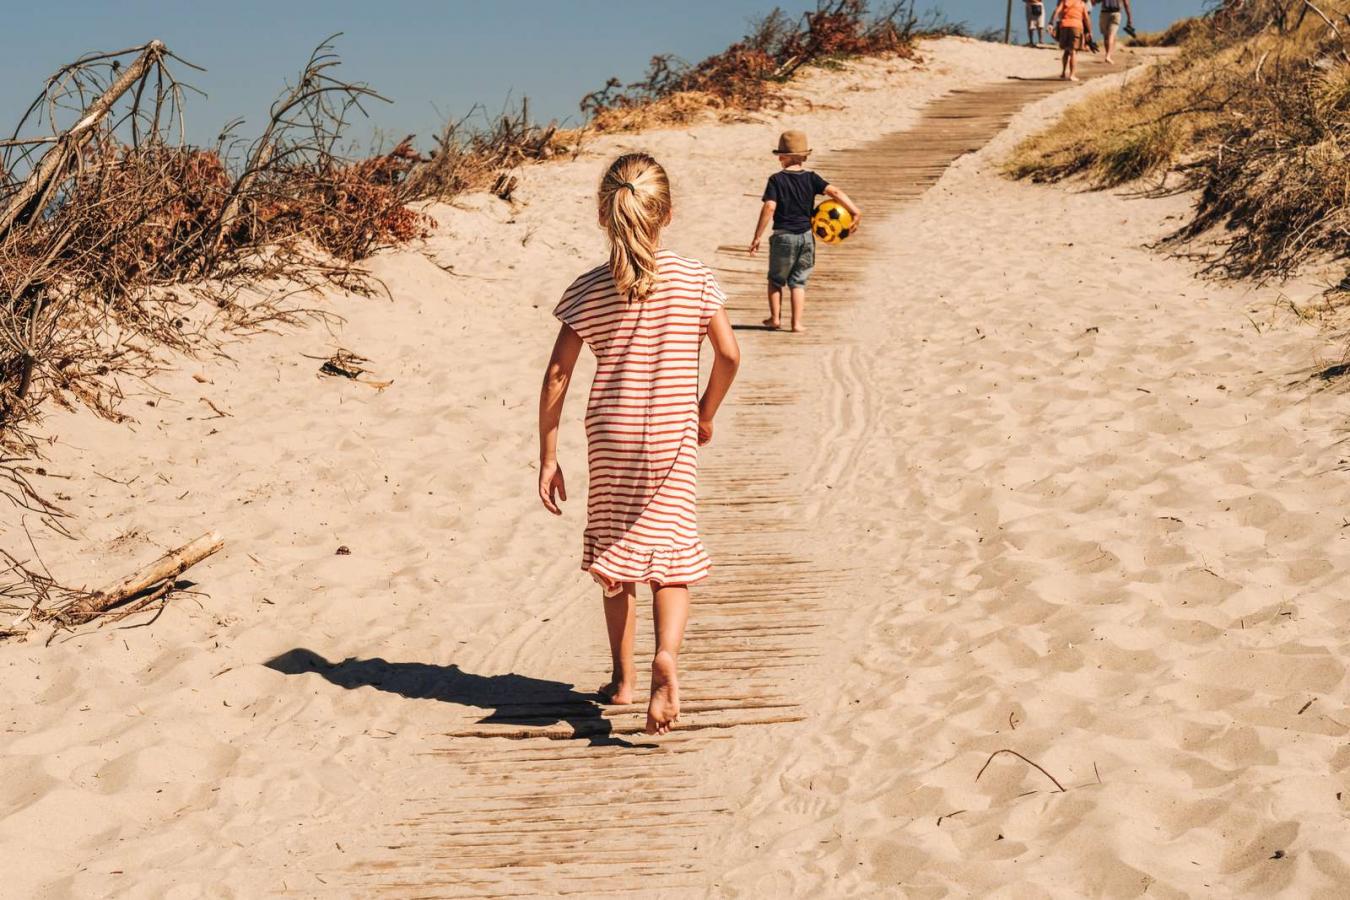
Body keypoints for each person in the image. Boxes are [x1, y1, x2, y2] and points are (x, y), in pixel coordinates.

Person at [538, 152, 741, 736]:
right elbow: (729, 355)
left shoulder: (590, 289)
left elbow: (557, 376)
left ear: (605, 215)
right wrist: (704, 414)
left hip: (610, 435)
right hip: (671, 432)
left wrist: (548, 456)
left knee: (615, 555)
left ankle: (623, 680)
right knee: (670, 554)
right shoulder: (696, 279)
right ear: (667, 213)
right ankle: (667, 657)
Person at [748, 130, 861, 333]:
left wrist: (757, 236)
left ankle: (775, 319)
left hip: (783, 237)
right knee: (798, 281)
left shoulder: (776, 180)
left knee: (775, 280)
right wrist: (855, 211)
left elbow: (770, 207)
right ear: (805, 156)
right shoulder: (811, 178)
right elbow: (834, 192)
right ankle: (796, 323)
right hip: (807, 237)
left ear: (783, 157)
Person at [1050, 0, 1095, 81]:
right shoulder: (1081, 3)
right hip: (1076, 27)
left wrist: (1050, 23)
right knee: (1073, 52)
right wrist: (1089, 31)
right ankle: (1072, 75)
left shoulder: (1064, 1)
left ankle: (1063, 72)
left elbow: (1056, 11)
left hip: (1064, 26)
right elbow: (1086, 18)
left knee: (1066, 50)